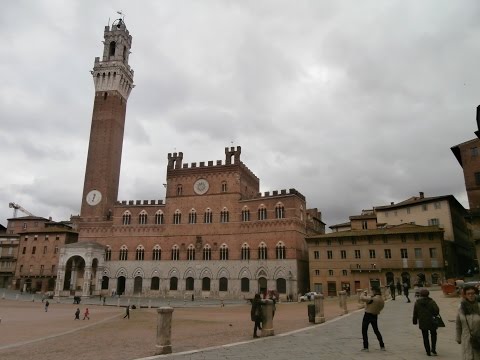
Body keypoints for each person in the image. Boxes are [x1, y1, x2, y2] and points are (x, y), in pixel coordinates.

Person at [413, 288, 440, 356]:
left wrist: (415, 321)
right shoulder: (432, 301)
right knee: (433, 334)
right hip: (432, 321)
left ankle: (427, 351)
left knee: (425, 336)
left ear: (421, 295)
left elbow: (415, 313)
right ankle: (433, 349)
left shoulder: (417, 302)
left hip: (422, 321)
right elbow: (436, 310)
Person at [456, 285, 480, 359]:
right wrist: (458, 337)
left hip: (478, 339)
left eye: (472, 293)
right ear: (465, 295)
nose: (471, 295)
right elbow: (458, 324)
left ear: (476, 294)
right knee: (468, 357)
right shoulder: (461, 307)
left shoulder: (479, 306)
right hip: (466, 338)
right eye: (468, 294)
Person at [360, 288, 385, 352]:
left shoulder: (372, 299)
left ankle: (366, 347)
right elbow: (381, 307)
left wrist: (364, 293)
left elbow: (362, 298)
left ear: (374, 291)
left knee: (364, 330)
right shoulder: (382, 300)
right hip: (375, 315)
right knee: (376, 330)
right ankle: (382, 345)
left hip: (367, 315)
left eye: (371, 291)